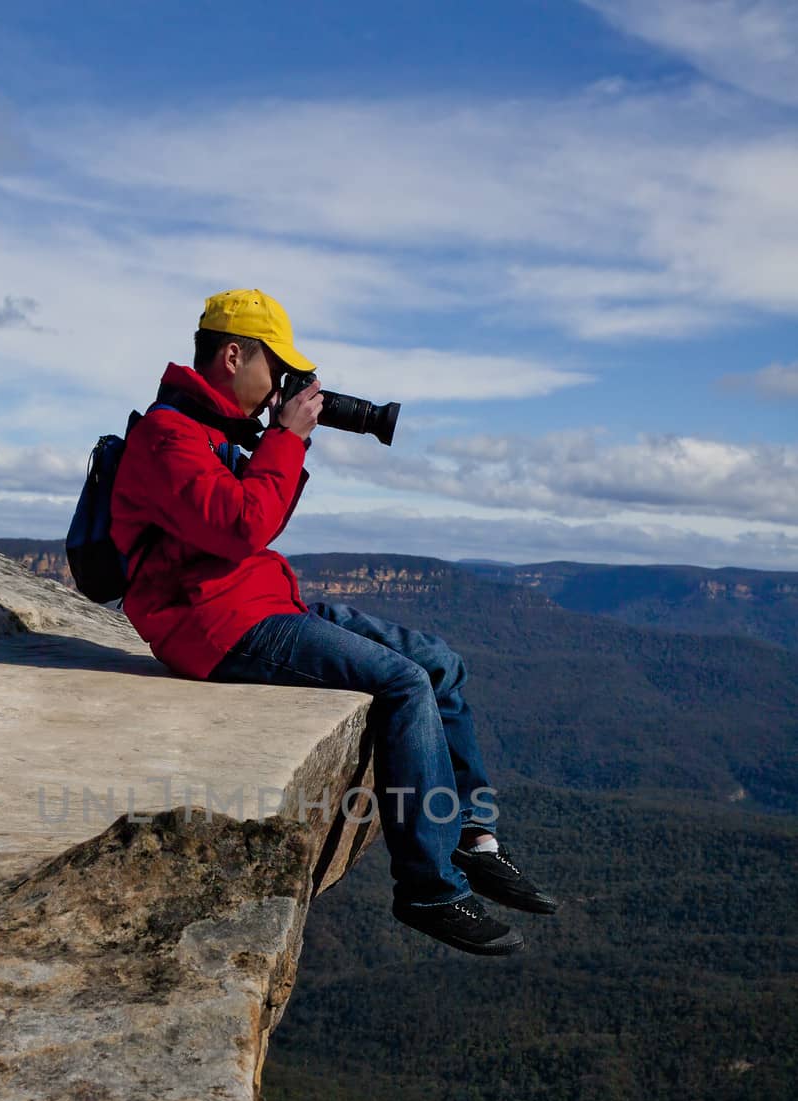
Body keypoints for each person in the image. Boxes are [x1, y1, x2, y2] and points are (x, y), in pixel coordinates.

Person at [110, 288, 559, 955]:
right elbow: (240, 527)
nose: (281, 385)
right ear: (233, 355)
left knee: (438, 661)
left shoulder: (215, 431)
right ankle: (428, 890)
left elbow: (253, 523)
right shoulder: (168, 436)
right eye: (276, 367)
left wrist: (274, 439)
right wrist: (286, 438)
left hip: (259, 601)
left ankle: (472, 837)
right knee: (404, 684)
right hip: (211, 625)